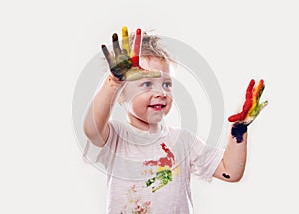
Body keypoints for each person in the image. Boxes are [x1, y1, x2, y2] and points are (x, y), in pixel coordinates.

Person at [83, 26, 268, 214]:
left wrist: (240, 127)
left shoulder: (183, 141)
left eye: (166, 84)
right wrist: (114, 83)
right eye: (147, 84)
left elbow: (230, 171)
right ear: (121, 95)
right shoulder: (116, 137)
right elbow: (92, 128)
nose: (161, 93)